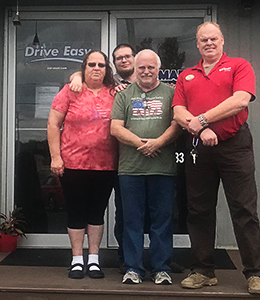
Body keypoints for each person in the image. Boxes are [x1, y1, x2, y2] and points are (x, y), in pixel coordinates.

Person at [172, 22, 260, 295]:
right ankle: (203, 270)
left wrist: (203, 120)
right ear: (197, 44)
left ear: (222, 40)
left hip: (234, 145)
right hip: (198, 148)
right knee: (198, 210)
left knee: (244, 210)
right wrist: (201, 130)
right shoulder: (186, 75)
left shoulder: (239, 66)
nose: (209, 43)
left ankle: (255, 273)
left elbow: (240, 100)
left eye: (213, 38)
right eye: (204, 40)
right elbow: (178, 111)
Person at [110, 49, 182, 285]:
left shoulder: (171, 93)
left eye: (151, 67)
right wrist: (142, 144)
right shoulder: (123, 95)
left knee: (162, 220)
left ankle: (161, 268)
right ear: (135, 68)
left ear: (158, 68)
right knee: (132, 220)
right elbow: (116, 128)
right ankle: (133, 268)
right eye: (141, 67)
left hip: (163, 168)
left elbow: (177, 124)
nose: (146, 71)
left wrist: (159, 142)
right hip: (130, 169)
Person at [47, 50, 118, 279]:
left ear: (107, 69)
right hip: (73, 163)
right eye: (91, 64)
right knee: (76, 212)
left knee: (97, 213)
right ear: (84, 67)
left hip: (106, 164)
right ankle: (77, 259)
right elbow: (52, 124)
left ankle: (94, 259)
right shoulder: (70, 91)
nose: (96, 68)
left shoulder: (115, 92)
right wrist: (56, 157)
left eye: (101, 64)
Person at [68, 44, 136, 272]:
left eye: (128, 57)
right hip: (92, 163)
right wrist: (77, 75)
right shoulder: (114, 86)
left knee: (126, 211)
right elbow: (53, 123)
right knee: (87, 210)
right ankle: (93, 259)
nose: (124, 61)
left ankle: (140, 259)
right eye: (119, 58)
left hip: (121, 162)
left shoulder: (143, 80)